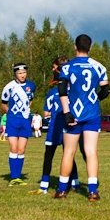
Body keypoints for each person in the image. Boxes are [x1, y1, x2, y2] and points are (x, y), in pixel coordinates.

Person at [54, 34, 109, 201]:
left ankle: (62, 190)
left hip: (73, 113)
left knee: (69, 151)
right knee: (91, 151)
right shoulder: (99, 67)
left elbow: (62, 91)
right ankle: (93, 191)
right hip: (92, 113)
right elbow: (106, 90)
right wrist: (94, 100)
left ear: (74, 46)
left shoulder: (67, 67)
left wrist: (66, 112)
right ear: (90, 47)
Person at [32, 57, 85, 195]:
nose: (52, 70)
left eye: (54, 67)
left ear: (59, 69)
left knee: (49, 155)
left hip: (56, 127)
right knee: (69, 154)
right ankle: (75, 183)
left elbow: (46, 112)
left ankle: (44, 185)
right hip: (70, 126)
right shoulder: (75, 90)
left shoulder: (53, 92)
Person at [1, 62, 36, 186]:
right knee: (13, 148)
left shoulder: (31, 85)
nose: (22, 75)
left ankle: (18, 177)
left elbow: (30, 99)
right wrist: (11, 114)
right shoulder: (9, 87)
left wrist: (25, 111)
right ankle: (13, 176)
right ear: (15, 74)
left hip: (25, 120)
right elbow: (3, 103)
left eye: (24, 72)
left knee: (21, 150)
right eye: (20, 73)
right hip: (12, 121)